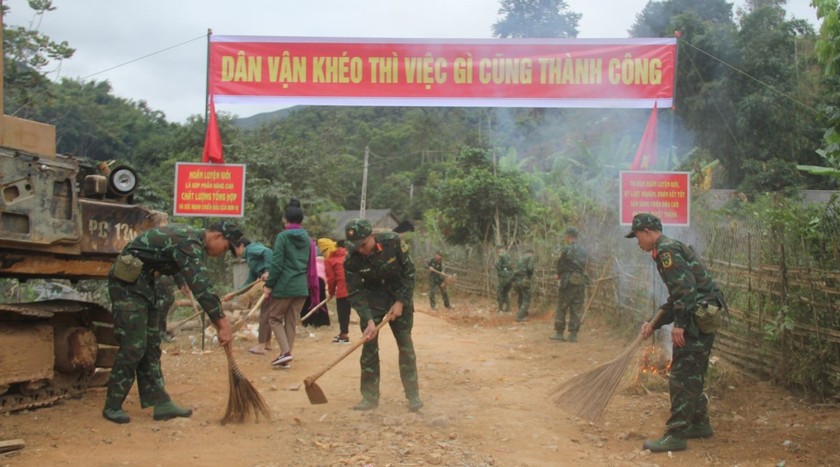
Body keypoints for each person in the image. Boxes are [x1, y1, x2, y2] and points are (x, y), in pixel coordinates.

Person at [102, 221, 241, 424]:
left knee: (151, 346)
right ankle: (112, 405)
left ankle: (161, 402)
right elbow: (201, 286)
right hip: (127, 286)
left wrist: (181, 280)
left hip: (144, 285)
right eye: (226, 248)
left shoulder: (190, 239)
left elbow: (167, 256)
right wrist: (223, 323)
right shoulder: (189, 242)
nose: (222, 254)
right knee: (134, 346)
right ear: (217, 236)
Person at [626, 213, 724, 453]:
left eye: (637, 236)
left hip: (695, 319)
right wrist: (653, 323)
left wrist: (679, 324)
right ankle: (699, 424)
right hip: (699, 315)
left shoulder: (667, 252)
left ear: (648, 232)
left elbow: (686, 291)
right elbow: (676, 297)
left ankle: (676, 434)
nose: (637, 241)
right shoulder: (667, 249)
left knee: (681, 376)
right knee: (693, 374)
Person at [343, 218, 422, 412]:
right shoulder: (351, 258)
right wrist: (368, 319)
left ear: (372, 236)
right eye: (356, 246)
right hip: (373, 300)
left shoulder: (392, 241)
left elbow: (409, 272)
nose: (361, 250)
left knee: (405, 347)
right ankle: (369, 398)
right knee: (368, 347)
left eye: (363, 244)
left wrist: (401, 302)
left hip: (399, 294)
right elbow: (355, 291)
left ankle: (413, 397)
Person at [263, 199, 318, 369]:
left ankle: (286, 353)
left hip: (285, 285)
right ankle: (285, 357)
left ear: (285, 219)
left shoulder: (283, 237)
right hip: (301, 287)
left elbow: (277, 263)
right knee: (291, 321)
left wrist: (269, 284)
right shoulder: (308, 240)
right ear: (301, 221)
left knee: (274, 318)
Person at [234, 238, 273, 355]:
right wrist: (235, 293)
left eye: (234, 249)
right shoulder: (250, 258)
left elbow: (268, 252)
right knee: (267, 312)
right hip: (270, 282)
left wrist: (267, 271)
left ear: (241, 245)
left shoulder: (251, 249)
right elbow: (250, 281)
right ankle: (267, 343)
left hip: (272, 282)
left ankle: (261, 345)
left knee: (265, 313)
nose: (234, 252)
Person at [552, 227, 588, 342]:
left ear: (568, 236)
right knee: (576, 308)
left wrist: (559, 274)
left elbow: (561, 264)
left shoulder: (567, 249)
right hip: (580, 282)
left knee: (562, 306)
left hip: (568, 281)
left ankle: (559, 333)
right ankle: (573, 335)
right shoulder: (583, 250)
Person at [318, 237, 351, 344]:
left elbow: (331, 279)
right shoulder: (345, 253)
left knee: (343, 312)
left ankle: (344, 335)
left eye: (322, 251)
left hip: (343, 288)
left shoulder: (329, 260)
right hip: (356, 287)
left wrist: (331, 292)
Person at [301, 255, 331, 327]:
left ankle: (306, 320)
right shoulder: (326, 263)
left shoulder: (312, 263)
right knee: (320, 301)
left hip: (311, 280)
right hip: (321, 282)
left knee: (308, 301)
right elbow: (328, 275)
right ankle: (321, 321)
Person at [513, 248, 535, 322]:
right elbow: (530, 268)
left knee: (521, 296)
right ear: (531, 253)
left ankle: (522, 312)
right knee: (526, 298)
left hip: (516, 281)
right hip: (524, 280)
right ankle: (520, 316)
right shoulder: (531, 257)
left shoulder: (520, 258)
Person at [495, 245, 514, 313]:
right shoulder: (509, 256)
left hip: (503, 278)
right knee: (506, 292)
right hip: (511, 277)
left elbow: (497, 265)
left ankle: (500, 309)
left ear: (498, 249)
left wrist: (500, 273)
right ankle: (508, 309)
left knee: (499, 292)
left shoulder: (500, 255)